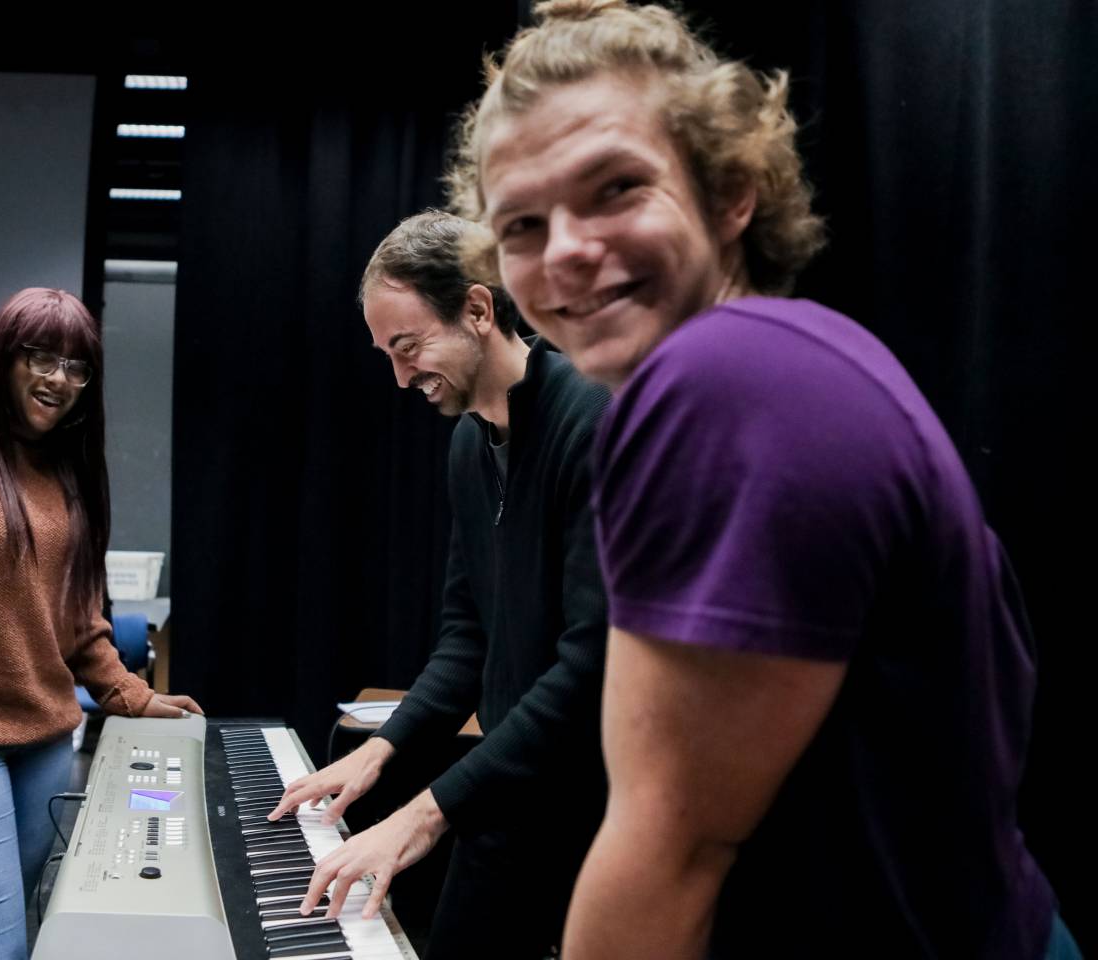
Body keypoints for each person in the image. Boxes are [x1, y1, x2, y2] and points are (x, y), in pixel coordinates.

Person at [450, 1, 1078, 957]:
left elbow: (674, 848)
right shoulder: (789, 359)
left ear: (731, 192)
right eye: (524, 225)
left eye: (617, 188)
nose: (567, 248)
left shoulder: (719, 381)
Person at [268, 210, 610, 958]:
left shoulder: (591, 420)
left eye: (409, 346)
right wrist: (380, 751)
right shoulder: (469, 444)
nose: (399, 376)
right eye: (386, 354)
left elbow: (589, 670)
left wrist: (424, 814)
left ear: (480, 310)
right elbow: (467, 640)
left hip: (596, 809)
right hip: (508, 794)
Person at [0, 287, 202, 960]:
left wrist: (132, 696)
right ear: (3, 357)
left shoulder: (63, 470)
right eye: (40, 356)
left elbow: (77, 618)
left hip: (47, 742)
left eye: (77, 366)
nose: (60, 378)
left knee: (20, 934)